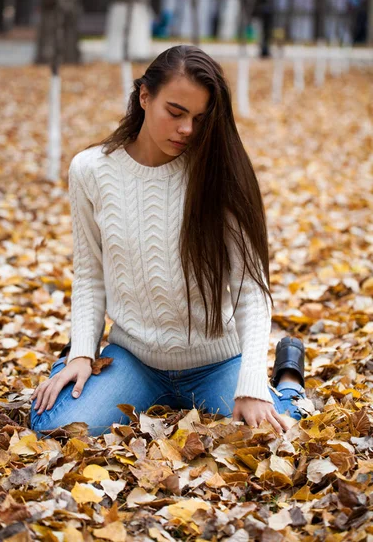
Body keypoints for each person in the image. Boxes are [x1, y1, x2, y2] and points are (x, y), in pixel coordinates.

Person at [30, 45, 306, 438]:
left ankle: (289, 378)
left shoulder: (219, 174)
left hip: (217, 362)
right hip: (133, 361)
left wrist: (249, 385)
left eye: (199, 118)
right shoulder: (90, 170)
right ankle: (70, 366)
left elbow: (250, 289)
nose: (187, 130)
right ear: (144, 96)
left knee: (279, 436)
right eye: (175, 113)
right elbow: (90, 275)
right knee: (52, 428)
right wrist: (81, 354)